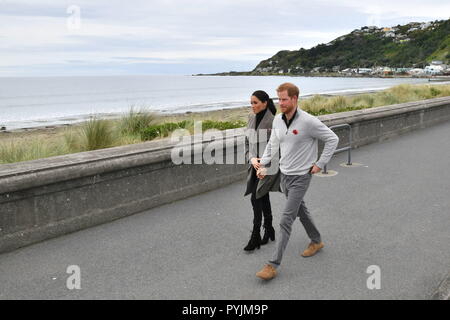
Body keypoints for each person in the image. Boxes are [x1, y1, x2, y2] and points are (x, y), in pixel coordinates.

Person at [255, 83, 339, 280]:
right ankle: (316, 240)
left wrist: (320, 163)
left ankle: (272, 265)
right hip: (284, 175)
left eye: (284, 99)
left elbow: (332, 139)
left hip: (301, 177)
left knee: (286, 219)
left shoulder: (309, 122)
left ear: (294, 99)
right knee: (301, 210)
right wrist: (263, 163)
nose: (281, 103)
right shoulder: (277, 120)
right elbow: (273, 144)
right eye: (279, 99)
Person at [243, 90, 280, 251]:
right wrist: (251, 158)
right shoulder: (251, 118)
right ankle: (269, 229)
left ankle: (256, 235)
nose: (252, 106)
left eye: (255, 103)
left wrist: (265, 166)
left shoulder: (274, 121)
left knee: (256, 198)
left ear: (265, 103)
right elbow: (247, 143)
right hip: (254, 166)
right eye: (251, 103)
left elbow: (278, 148)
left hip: (267, 168)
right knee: (262, 197)